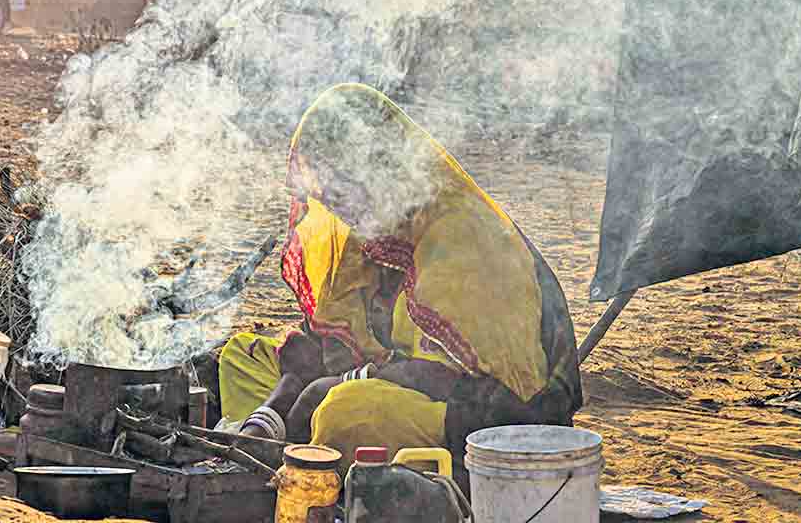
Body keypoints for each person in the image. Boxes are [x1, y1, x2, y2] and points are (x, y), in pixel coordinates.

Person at [218, 83, 583, 480]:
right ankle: (275, 459)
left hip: (485, 430)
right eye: (329, 192)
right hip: (382, 382)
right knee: (242, 357)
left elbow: (501, 401)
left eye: (343, 187)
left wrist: (353, 380)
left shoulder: (466, 242)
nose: (338, 205)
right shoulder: (369, 234)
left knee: (346, 412)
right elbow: (319, 346)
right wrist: (267, 416)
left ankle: (330, 470)